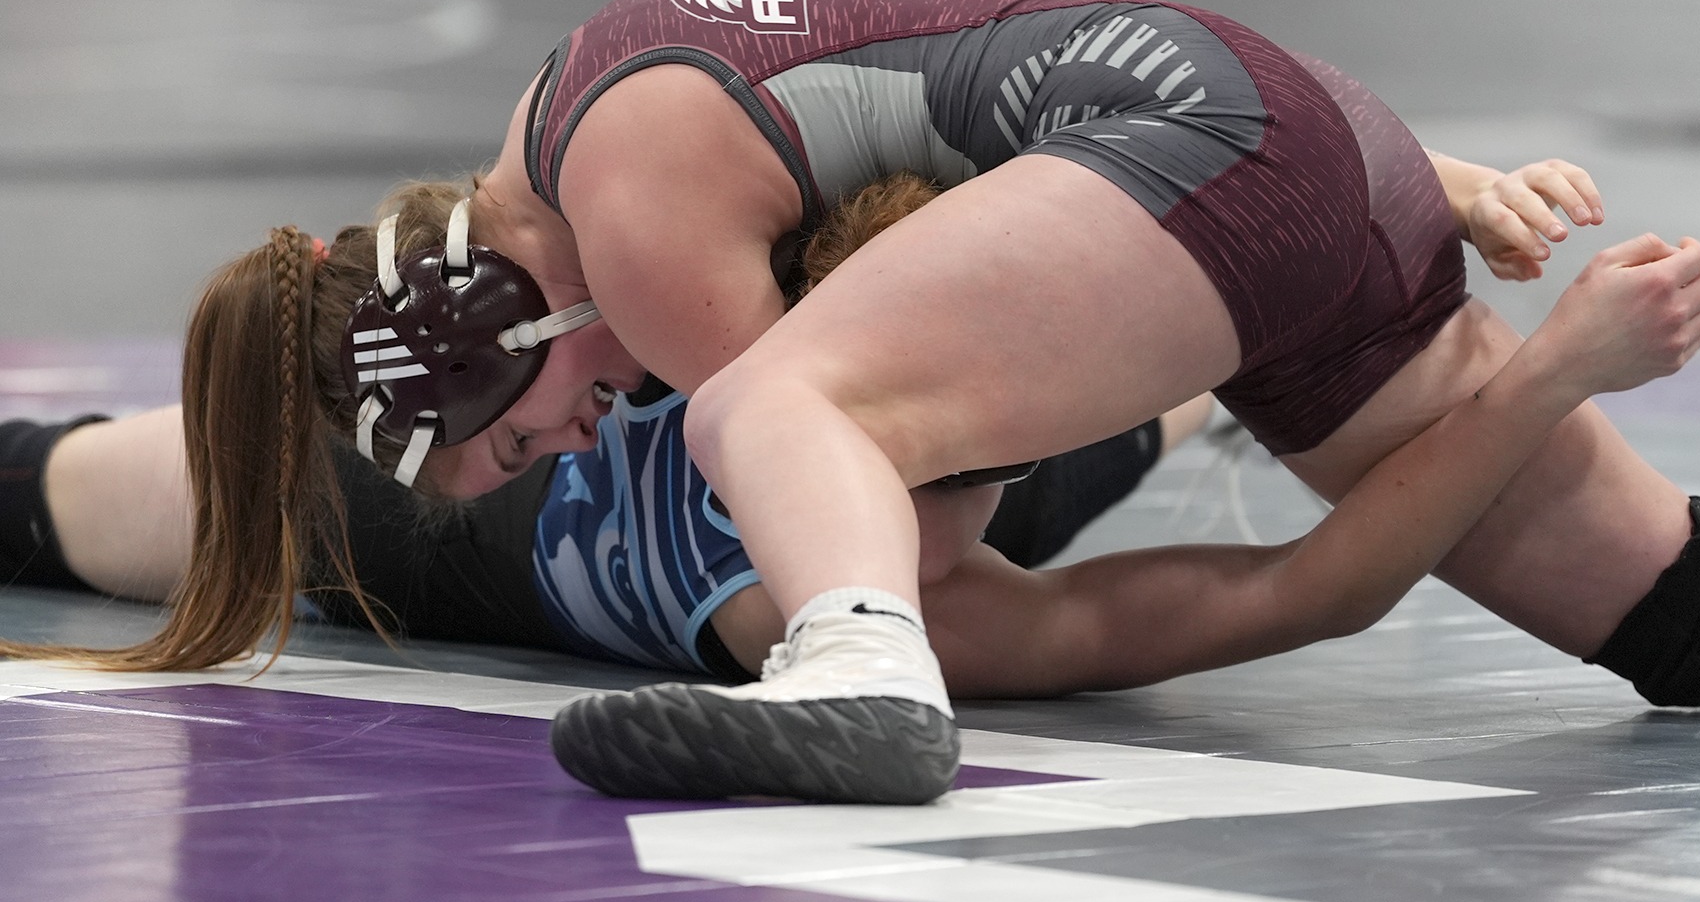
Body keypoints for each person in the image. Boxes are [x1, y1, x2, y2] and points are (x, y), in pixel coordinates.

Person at [14, 0, 1700, 806]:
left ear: (499, 315)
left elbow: (863, 426)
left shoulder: (643, 213)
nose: (570, 447)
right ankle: (888, 632)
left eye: (533, 426)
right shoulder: (609, 152)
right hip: (1245, 157)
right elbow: (1042, 62)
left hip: (1205, 171)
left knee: (782, 419)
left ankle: (868, 680)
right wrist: (1461, 234)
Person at [0, 173, 1214, 682]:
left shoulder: (836, 584)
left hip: (387, 524)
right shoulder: (678, 268)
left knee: (48, 494)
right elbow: (1094, 624)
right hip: (398, 497)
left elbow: (1078, 623)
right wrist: (1349, 565)